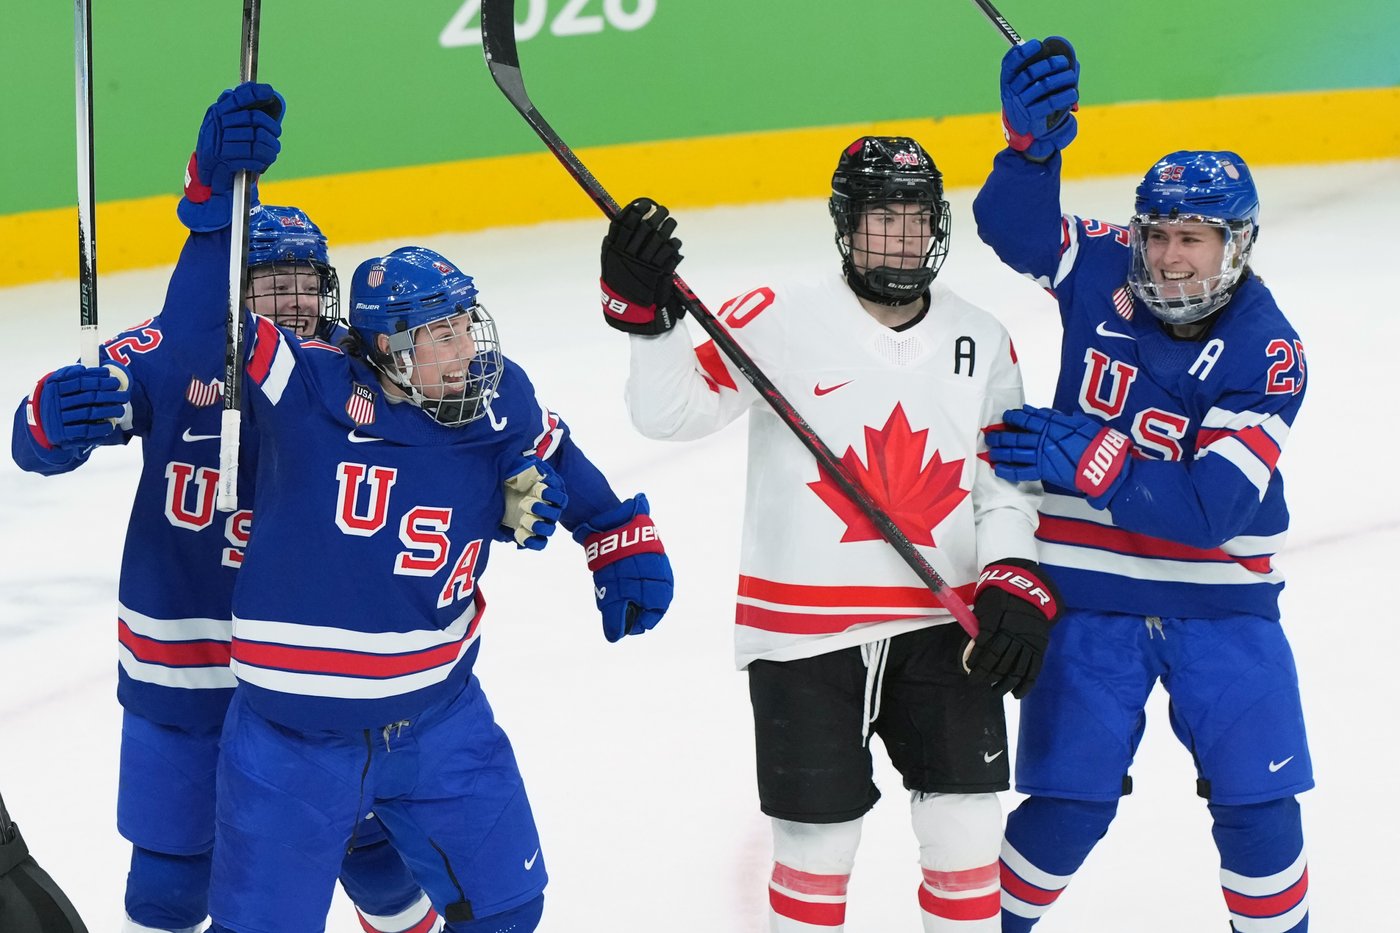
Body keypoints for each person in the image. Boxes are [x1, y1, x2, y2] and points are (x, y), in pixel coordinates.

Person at [153, 83, 673, 933]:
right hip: (292, 740)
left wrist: (615, 534)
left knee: (508, 910)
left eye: (468, 325)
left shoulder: (495, 398)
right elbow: (200, 330)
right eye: (443, 335)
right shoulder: (309, 391)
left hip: (440, 720)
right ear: (390, 351)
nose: (469, 350)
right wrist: (212, 208)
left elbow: (552, 454)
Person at [596, 137, 1059, 931]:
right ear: (847, 224)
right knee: (818, 845)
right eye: (884, 217)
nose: (903, 237)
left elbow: (1004, 483)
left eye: (917, 218)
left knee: (967, 831)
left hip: (942, 621)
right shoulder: (777, 317)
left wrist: (1013, 572)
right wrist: (648, 320)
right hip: (801, 631)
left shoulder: (982, 338)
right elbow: (669, 414)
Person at [12, 160, 442, 933]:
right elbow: (49, 430)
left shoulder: (363, 371)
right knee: (169, 888)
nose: (297, 301)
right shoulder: (173, 351)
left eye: (308, 283)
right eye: (273, 283)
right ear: (231, 287)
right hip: (189, 666)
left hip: (322, 671)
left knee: (381, 864)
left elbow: (452, 445)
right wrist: (51, 417)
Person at [973, 37, 1312, 933]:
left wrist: (1096, 459)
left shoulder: (1268, 350)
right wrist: (1028, 154)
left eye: (1191, 238)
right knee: (1067, 805)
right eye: (1157, 234)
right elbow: (1013, 231)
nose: (1168, 257)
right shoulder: (1104, 264)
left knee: (1260, 810)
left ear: (1235, 244)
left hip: (1222, 606)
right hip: (1089, 597)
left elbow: (1210, 510)